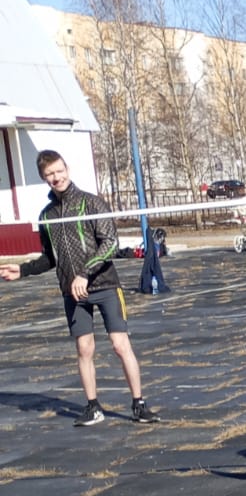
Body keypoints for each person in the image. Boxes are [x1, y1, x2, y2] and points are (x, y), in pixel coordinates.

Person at [0, 151, 160, 426]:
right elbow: (50, 257)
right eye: (50, 174)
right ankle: (93, 407)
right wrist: (23, 270)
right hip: (72, 292)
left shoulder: (91, 203)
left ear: (67, 169)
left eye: (59, 171)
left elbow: (110, 243)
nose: (56, 177)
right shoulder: (47, 215)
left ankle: (139, 404)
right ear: (43, 178)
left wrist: (84, 274)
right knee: (84, 349)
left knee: (120, 345)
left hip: (105, 284)